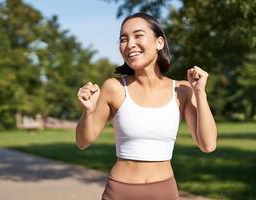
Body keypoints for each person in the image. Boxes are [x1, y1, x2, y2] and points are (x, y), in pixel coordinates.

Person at [76, 12, 217, 200]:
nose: (130, 44)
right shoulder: (114, 87)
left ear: (160, 42)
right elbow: (83, 142)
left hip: (164, 192)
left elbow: (207, 145)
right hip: (120, 192)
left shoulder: (182, 90)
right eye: (123, 39)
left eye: (138, 35)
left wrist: (200, 93)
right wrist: (88, 111)